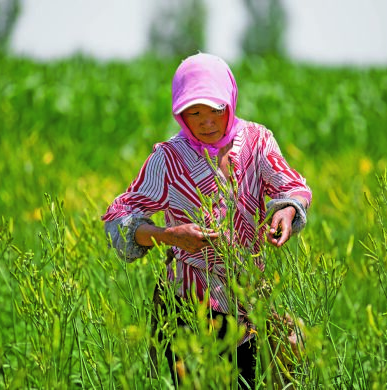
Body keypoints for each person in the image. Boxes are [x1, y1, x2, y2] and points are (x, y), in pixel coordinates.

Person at [102, 53, 311, 387]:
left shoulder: (257, 142)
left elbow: (293, 186)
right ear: (180, 113)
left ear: (229, 101)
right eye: (193, 112)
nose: (206, 121)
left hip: (246, 300)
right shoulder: (169, 158)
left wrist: (286, 211)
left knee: (255, 379)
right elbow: (119, 218)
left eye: (215, 109)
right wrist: (168, 236)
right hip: (185, 305)